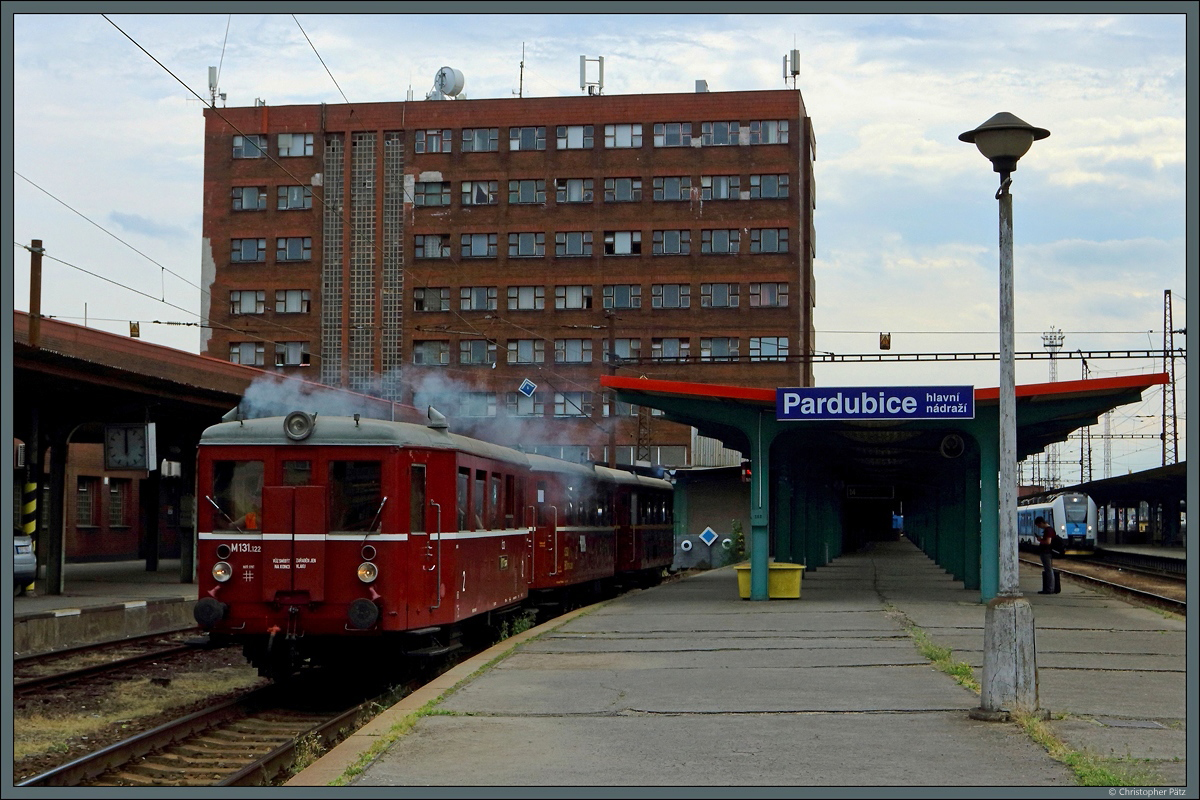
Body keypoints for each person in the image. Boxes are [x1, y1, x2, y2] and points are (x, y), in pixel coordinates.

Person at [1035, 516, 1059, 594]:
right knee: (1048, 570)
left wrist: (1040, 540)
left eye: (1038, 525)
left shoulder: (1048, 530)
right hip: (1047, 552)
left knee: (1048, 570)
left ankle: (1049, 589)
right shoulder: (1050, 530)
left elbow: (1048, 542)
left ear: (1041, 523)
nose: (1039, 527)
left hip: (1046, 552)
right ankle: (1050, 588)